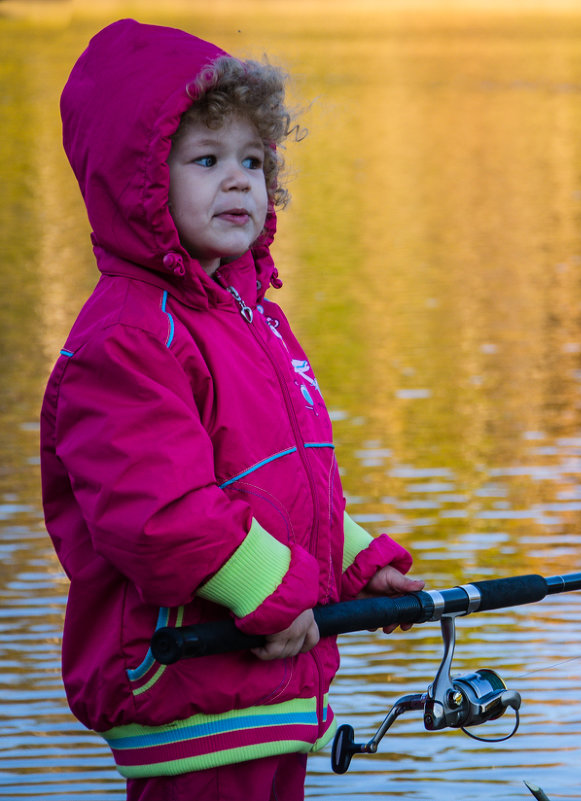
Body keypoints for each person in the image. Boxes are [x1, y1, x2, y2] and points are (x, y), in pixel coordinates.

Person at [40, 18, 423, 800]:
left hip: (264, 686)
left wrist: (351, 561)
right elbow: (158, 514)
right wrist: (269, 589)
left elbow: (267, 484)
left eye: (253, 161)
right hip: (187, 688)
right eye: (207, 161)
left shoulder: (252, 319)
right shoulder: (128, 337)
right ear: (138, 181)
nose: (241, 181)